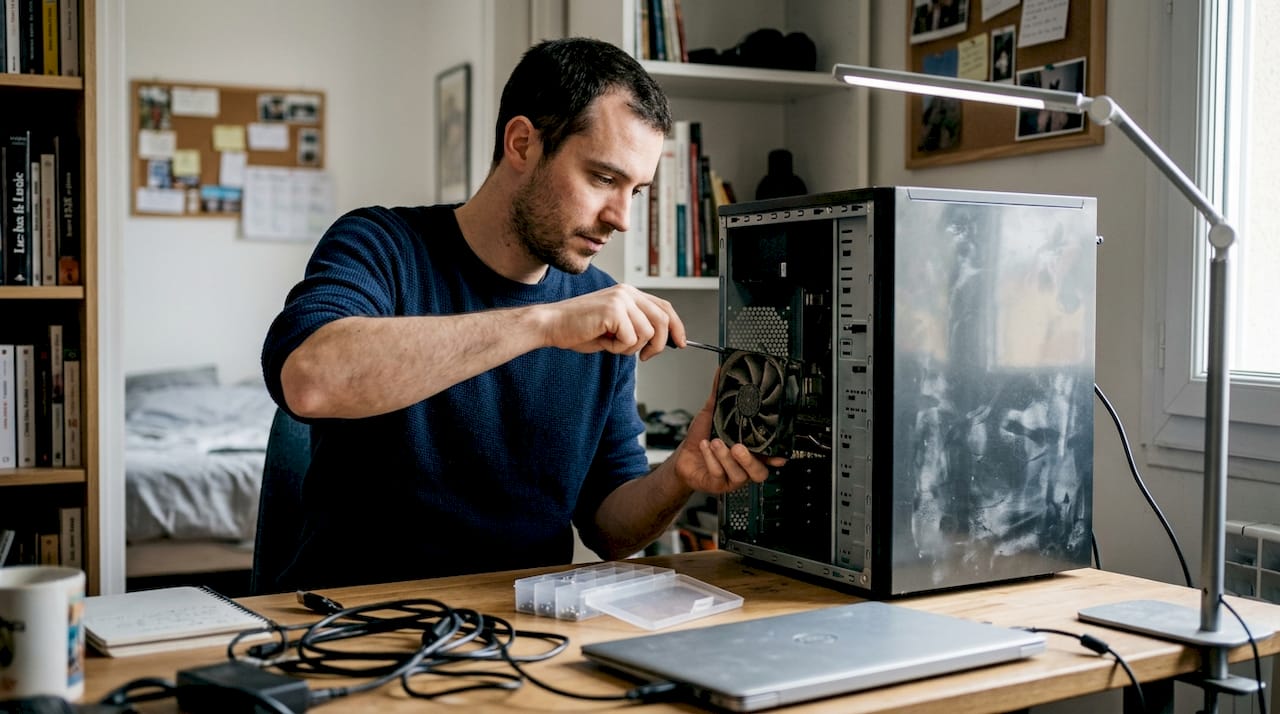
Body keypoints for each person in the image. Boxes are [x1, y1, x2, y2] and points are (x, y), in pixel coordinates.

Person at [260, 37, 783, 591]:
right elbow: (310, 381)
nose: (622, 217)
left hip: (521, 635)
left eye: (637, 190)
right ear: (522, 143)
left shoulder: (597, 309)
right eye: (603, 179)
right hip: (353, 627)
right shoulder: (381, 245)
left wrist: (680, 474)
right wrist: (544, 324)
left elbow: (609, 529)